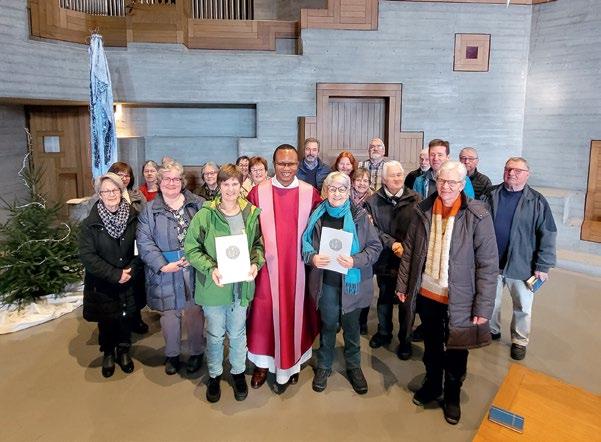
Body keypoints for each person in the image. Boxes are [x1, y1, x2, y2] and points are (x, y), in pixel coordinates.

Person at [396, 161, 498, 425]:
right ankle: (432, 385)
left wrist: (483, 306)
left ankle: (452, 394)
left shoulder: (477, 215)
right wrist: (403, 285)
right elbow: (409, 251)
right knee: (431, 346)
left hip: (460, 298)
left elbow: (488, 264)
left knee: (457, 350)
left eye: (453, 182)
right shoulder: (423, 209)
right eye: (442, 181)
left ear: (462, 185)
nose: (446, 187)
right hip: (428, 294)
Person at [185, 164, 264, 403]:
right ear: (218, 186)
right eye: (226, 184)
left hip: (241, 285)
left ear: (241, 186)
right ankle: (215, 374)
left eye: (235, 184)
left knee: (238, 333)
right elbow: (191, 249)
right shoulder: (205, 215)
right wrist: (211, 268)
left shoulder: (250, 213)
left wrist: (255, 263)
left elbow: (258, 245)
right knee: (215, 333)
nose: (230, 189)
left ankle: (238, 372)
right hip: (215, 286)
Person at [246, 144, 322, 394]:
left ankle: (293, 364)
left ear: (298, 164)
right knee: (264, 314)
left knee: (295, 314)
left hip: (299, 269)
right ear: (274, 164)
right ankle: (262, 365)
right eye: (281, 163)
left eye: (291, 163)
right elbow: (246, 230)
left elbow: (324, 225)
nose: (286, 168)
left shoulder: (310, 193)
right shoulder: (258, 192)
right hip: (266, 269)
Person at [302, 172, 382, 394]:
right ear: (326, 190)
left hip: (351, 283)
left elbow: (375, 247)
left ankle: (354, 366)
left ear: (349, 191)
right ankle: (324, 365)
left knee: (351, 327)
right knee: (327, 325)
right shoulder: (317, 215)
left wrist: (355, 261)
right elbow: (305, 244)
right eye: (332, 188)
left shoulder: (360, 216)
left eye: (342, 189)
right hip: (326, 282)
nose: (337, 193)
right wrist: (312, 258)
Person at [481, 157, 556, 361]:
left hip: (522, 264)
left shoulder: (537, 201)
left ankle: (519, 340)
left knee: (522, 306)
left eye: (517, 170)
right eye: (508, 169)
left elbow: (548, 233)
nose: (511, 173)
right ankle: (492, 330)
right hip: (491, 263)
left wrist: (543, 265)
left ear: (527, 174)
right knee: (491, 302)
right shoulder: (489, 194)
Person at [137, 161, 206, 376]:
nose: (171, 183)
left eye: (176, 178)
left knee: (195, 311)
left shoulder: (198, 204)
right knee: (169, 315)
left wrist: (197, 257)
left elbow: (208, 234)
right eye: (166, 179)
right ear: (159, 182)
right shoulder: (149, 210)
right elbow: (144, 241)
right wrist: (162, 265)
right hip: (166, 270)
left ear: (182, 181)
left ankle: (197, 352)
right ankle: (172, 354)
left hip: (193, 268)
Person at [79, 172, 143, 378]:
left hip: (128, 277)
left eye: (115, 190)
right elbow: (88, 256)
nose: (111, 194)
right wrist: (115, 274)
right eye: (106, 191)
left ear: (121, 191)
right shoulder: (90, 223)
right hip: (102, 281)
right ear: (99, 194)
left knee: (125, 316)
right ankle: (108, 351)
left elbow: (141, 248)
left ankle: (124, 350)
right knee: (106, 319)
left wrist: (130, 271)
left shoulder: (134, 218)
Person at [365, 161, 420, 357]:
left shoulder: (416, 199)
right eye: (393, 175)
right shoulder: (372, 201)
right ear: (384, 179)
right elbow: (372, 228)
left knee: (407, 303)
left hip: (407, 257)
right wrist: (392, 244)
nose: (397, 178)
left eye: (400, 174)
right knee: (385, 297)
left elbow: (420, 228)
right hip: (384, 257)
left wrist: (405, 246)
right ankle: (384, 332)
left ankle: (405, 340)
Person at [107, 161, 148, 334]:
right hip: (112, 246)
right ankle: (117, 321)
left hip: (133, 244)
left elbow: (146, 217)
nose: (124, 178)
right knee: (116, 283)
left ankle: (136, 317)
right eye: (120, 175)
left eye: (127, 175)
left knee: (135, 281)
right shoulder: (105, 194)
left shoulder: (137, 195)